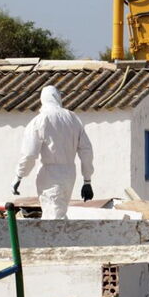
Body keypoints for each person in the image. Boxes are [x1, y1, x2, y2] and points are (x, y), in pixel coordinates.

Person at [13, 85, 94, 219]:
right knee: (59, 212)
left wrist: (19, 175)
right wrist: (87, 180)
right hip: (69, 174)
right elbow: (86, 151)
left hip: (50, 175)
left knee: (53, 217)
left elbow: (29, 154)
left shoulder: (40, 120)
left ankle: (58, 240)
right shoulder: (73, 118)